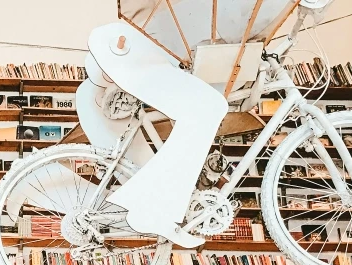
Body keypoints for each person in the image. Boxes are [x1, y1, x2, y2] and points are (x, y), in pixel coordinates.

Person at [77, 0, 301, 243]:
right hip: (126, 52)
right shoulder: (211, 20)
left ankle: (154, 205)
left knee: (207, 108)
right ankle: (151, 209)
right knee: (210, 106)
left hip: (128, 53)